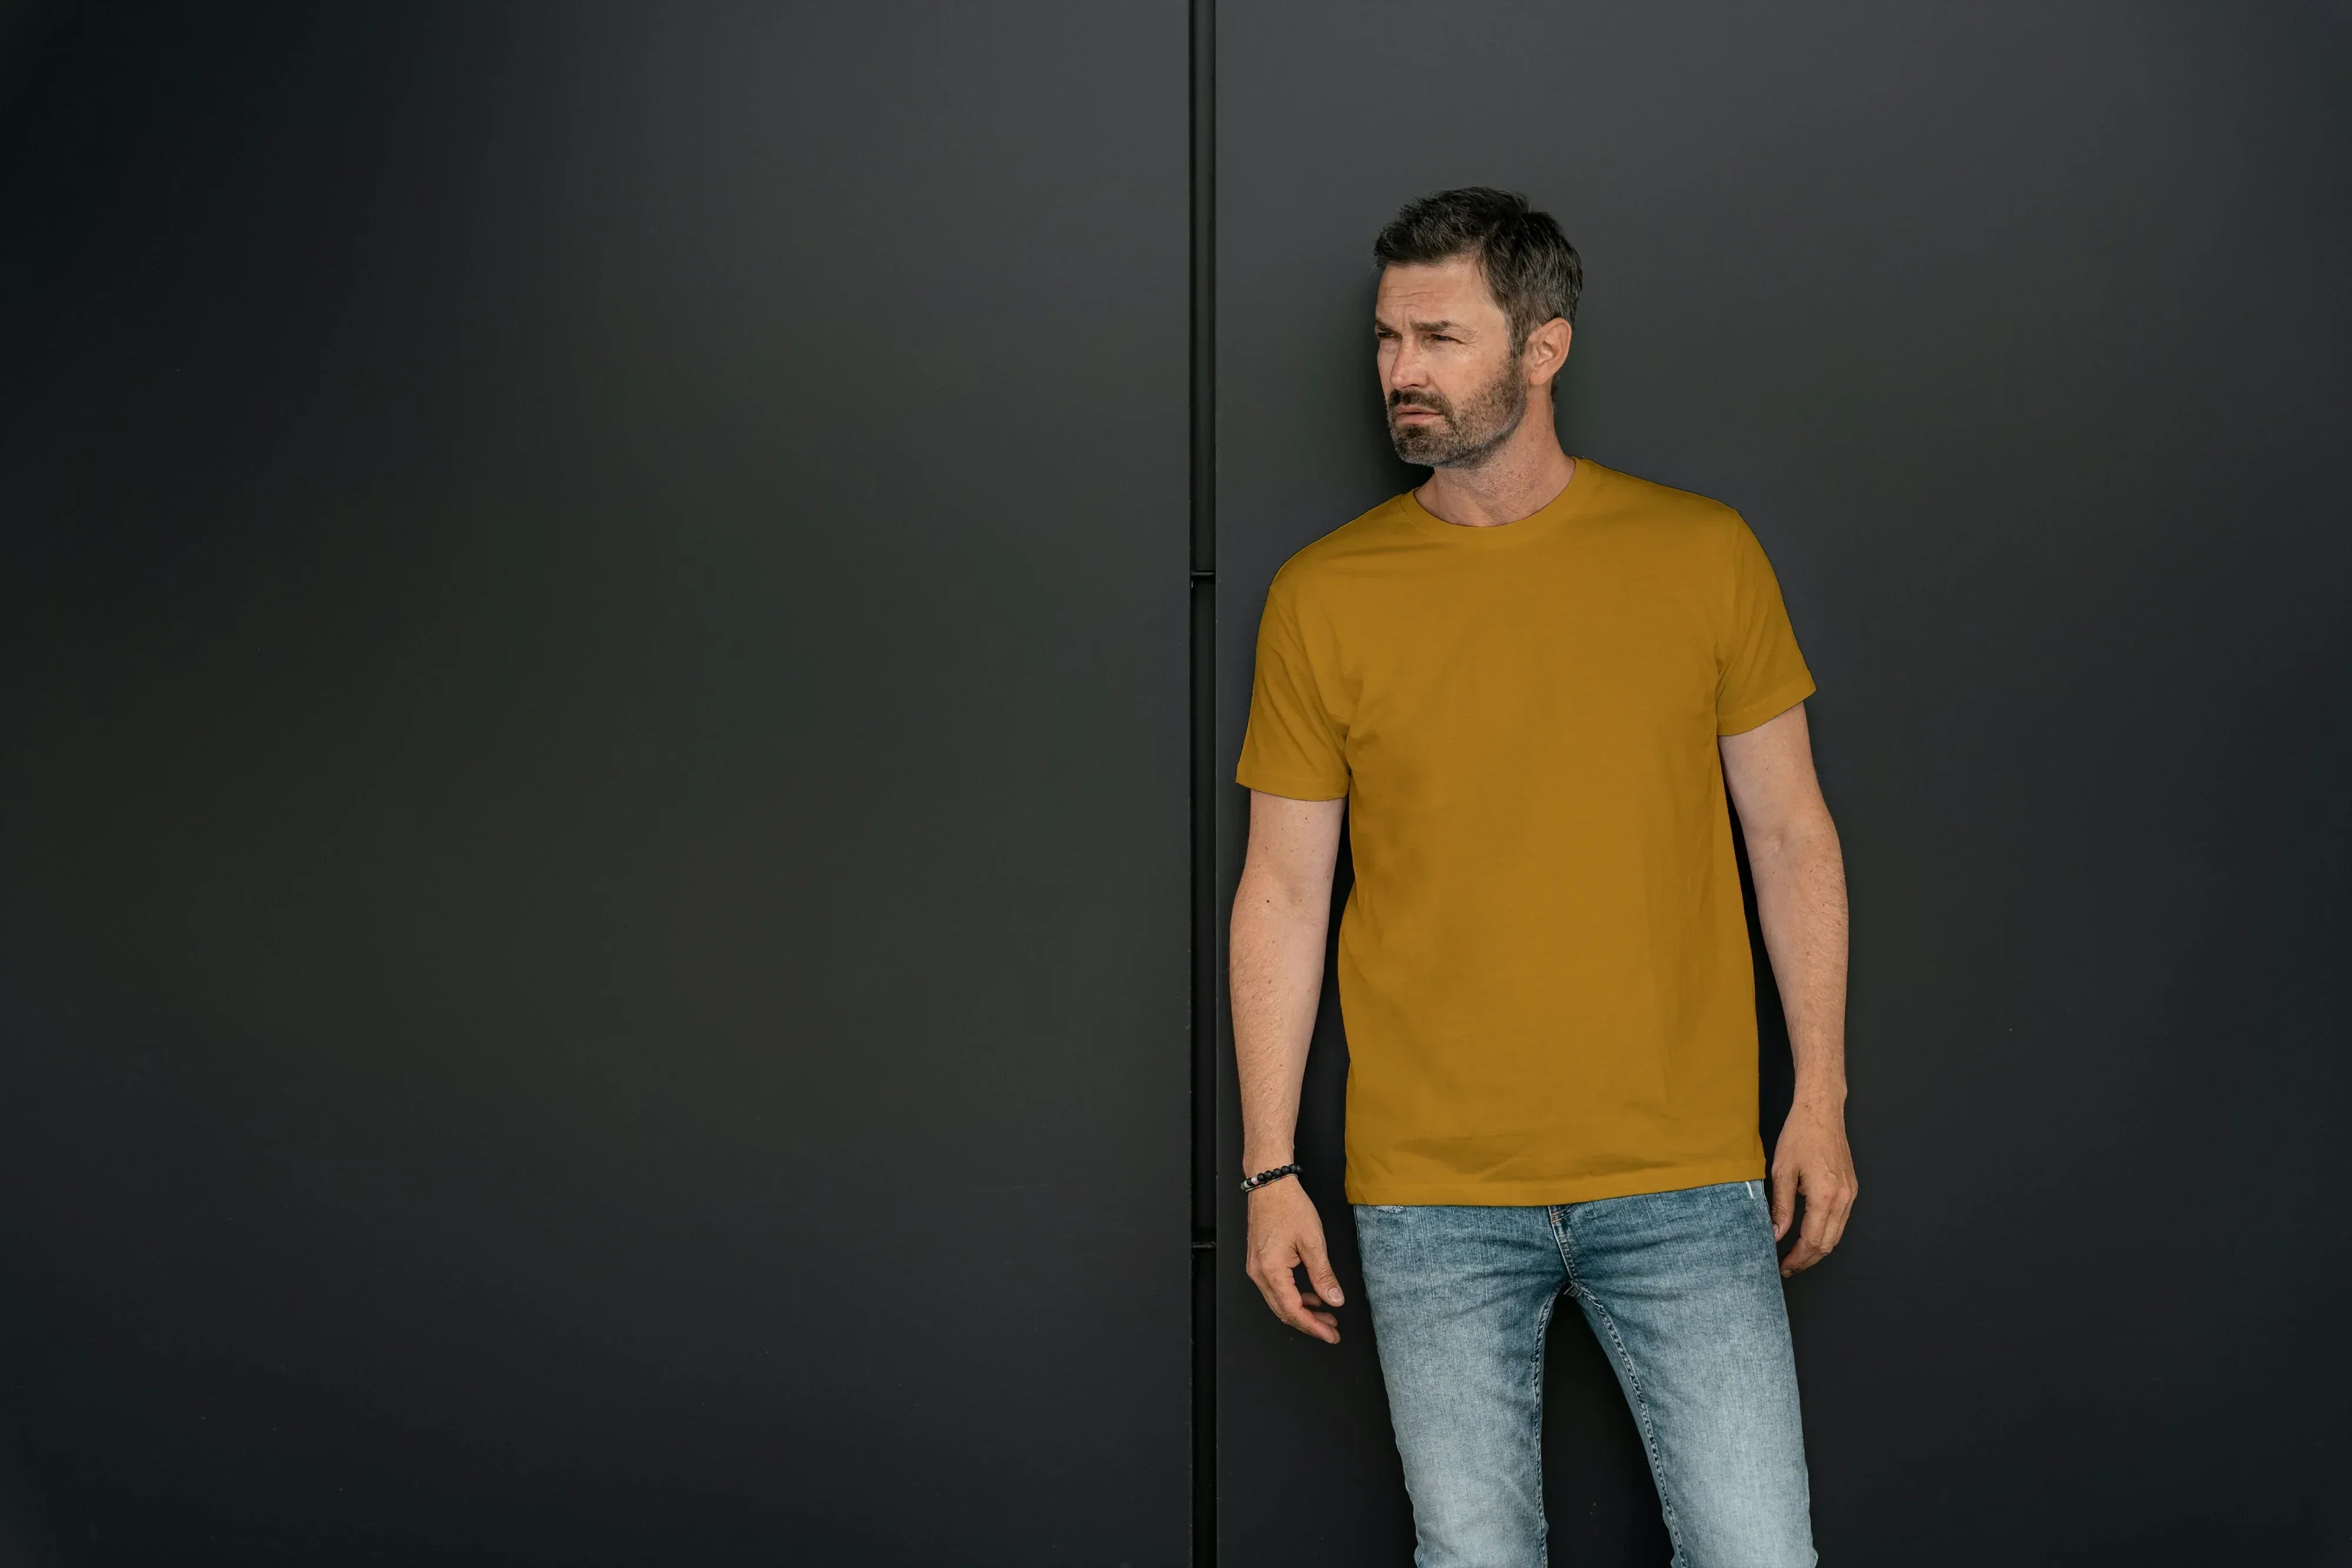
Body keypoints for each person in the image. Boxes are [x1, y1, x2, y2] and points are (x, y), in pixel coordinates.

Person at [1229, 186, 1855, 1568]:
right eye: (1386, 337)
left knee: (1759, 1553)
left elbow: (1790, 837)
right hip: (1430, 1195)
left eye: (1439, 337)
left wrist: (1817, 1094)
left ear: (1542, 345)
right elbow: (1280, 890)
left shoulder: (1700, 553)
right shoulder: (1320, 595)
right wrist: (1269, 1164)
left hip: (1685, 1175)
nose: (1399, 369)